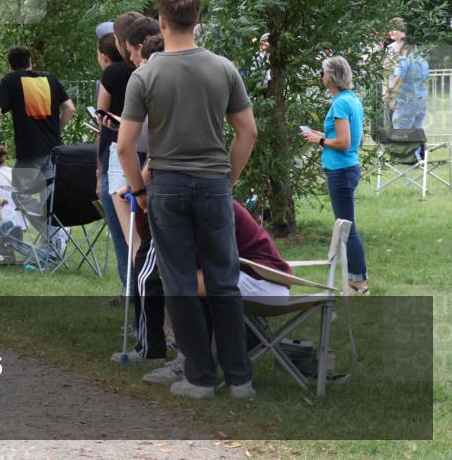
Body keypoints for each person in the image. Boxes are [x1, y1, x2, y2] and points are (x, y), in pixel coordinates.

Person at [117, 0, 258, 400]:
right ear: (197, 21)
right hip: (213, 182)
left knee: (178, 281)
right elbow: (247, 132)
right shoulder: (223, 69)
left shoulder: (145, 76)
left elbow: (125, 146)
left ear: (161, 22)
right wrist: (227, 180)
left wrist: (139, 189)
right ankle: (240, 379)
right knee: (223, 280)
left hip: (167, 185)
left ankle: (199, 377)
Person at [142, 200, 292, 385]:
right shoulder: (192, 203)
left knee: (180, 282)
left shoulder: (206, 206)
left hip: (264, 281)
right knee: (176, 278)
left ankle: (192, 365)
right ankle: (196, 362)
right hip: (245, 277)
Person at [0, 46, 75, 256]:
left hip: (30, 151)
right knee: (49, 200)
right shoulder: (49, 78)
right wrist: (57, 129)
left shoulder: (11, 80)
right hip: (55, 150)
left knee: (19, 195)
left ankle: (54, 235)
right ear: (31, 61)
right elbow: (70, 108)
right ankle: (52, 244)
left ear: (10, 65)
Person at [302, 56, 368, 294]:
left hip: (340, 171)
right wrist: (323, 135)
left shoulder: (340, 103)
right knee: (346, 227)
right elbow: (356, 140)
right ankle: (355, 279)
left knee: (347, 229)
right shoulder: (352, 100)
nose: (321, 76)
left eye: (322, 72)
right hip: (349, 167)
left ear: (331, 76)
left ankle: (358, 282)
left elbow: (344, 142)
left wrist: (319, 140)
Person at [96, 12, 143, 291]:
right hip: (150, 153)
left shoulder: (112, 74)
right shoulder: (151, 70)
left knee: (124, 230)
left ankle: (130, 289)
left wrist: (99, 169)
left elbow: (101, 117)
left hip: (119, 150)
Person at [387, 35, 429, 132]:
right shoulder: (423, 61)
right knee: (416, 134)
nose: (395, 46)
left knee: (401, 133)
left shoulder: (402, 60)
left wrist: (392, 99)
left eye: (398, 44)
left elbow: (399, 80)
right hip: (422, 101)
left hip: (405, 102)